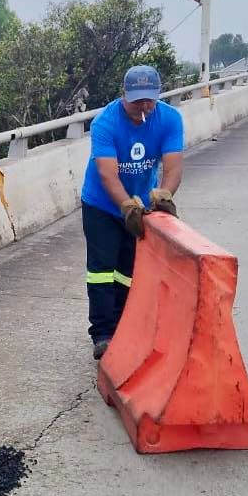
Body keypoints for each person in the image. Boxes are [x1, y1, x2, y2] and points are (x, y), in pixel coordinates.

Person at [80, 65, 184, 360]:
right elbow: (107, 174)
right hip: (101, 205)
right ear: (124, 95)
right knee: (102, 269)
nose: (144, 106)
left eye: (149, 99)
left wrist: (163, 195)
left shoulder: (170, 119)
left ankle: (123, 325)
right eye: (138, 100)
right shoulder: (105, 123)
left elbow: (173, 165)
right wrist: (126, 206)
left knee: (128, 268)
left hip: (141, 203)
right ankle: (102, 333)